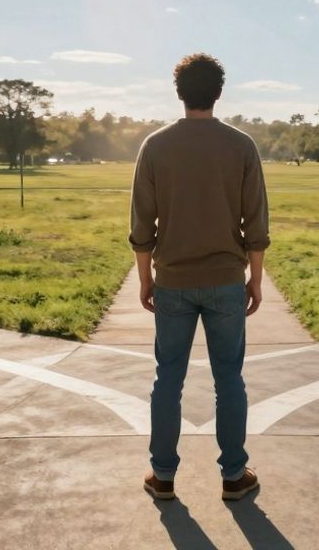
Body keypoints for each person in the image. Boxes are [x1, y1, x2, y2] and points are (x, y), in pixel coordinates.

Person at [129, 53, 268, 503]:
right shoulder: (242, 145)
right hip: (227, 278)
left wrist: (146, 278)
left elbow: (142, 223)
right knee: (229, 378)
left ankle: (163, 476)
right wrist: (256, 279)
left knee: (168, 378)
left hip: (172, 281)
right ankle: (233, 476)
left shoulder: (155, 145)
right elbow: (256, 221)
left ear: (179, 92)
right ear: (219, 92)